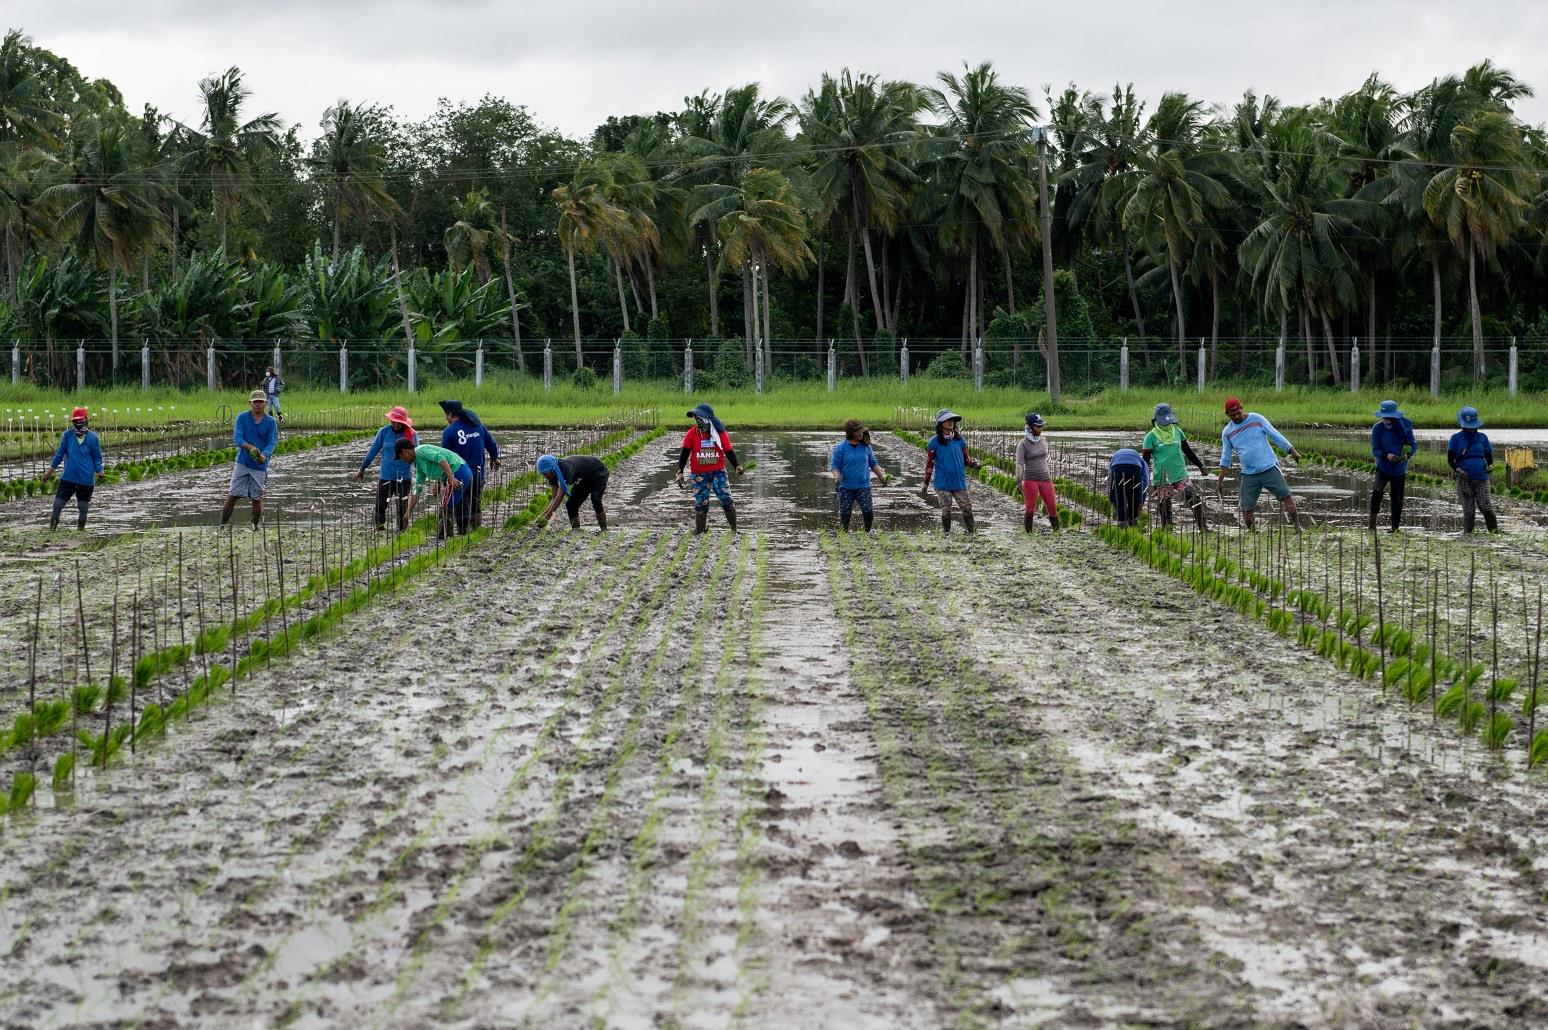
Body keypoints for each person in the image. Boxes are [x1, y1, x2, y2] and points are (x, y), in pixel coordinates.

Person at [1217, 397, 1302, 532]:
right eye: (1233, 415)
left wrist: (1292, 450)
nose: (1237, 416)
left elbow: (1275, 434)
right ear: (1227, 415)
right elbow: (1225, 456)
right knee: (1246, 508)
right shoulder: (1227, 432)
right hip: (1249, 474)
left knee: (1287, 496)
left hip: (1268, 467)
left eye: (1238, 412)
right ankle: (1252, 533)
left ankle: (1297, 526)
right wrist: (1220, 479)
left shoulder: (1256, 419)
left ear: (1242, 408)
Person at [676, 402, 745, 534]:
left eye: (699, 418)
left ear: (707, 419)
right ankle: (700, 530)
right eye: (695, 418)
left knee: (726, 499)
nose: (697, 420)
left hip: (717, 472)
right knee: (701, 503)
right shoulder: (692, 433)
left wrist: (737, 466)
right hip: (698, 474)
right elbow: (684, 453)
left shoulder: (719, 433)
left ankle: (734, 530)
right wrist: (680, 472)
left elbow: (728, 450)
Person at [1142, 402, 1209, 532]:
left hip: (1180, 475)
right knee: (1165, 506)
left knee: (1194, 498)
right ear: (1156, 419)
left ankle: (1204, 528)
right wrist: (1142, 478)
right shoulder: (1150, 437)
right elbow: (1145, 461)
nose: (1167, 423)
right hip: (1162, 478)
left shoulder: (1177, 431)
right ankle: (1168, 531)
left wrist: (1200, 466)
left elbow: (1188, 451)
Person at [439, 400, 500, 529]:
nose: (445, 418)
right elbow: (491, 444)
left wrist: (444, 478)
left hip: (460, 474)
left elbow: (444, 457)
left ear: (450, 414)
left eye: (445, 415)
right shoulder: (477, 426)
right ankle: (475, 533)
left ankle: (463, 534)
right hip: (477, 472)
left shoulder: (449, 432)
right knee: (475, 503)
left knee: (461, 504)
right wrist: (495, 458)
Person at [355, 406, 417, 531]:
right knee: (380, 506)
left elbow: (417, 455)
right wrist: (363, 468)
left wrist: (422, 472)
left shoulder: (411, 434)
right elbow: (373, 451)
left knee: (402, 508)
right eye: (393, 421)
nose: (395, 424)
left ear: (403, 422)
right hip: (386, 477)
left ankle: (402, 532)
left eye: (398, 422)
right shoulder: (384, 432)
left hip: (404, 478)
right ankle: (379, 530)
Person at [222, 390, 278, 528]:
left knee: (257, 498)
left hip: (260, 465)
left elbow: (272, 442)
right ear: (250, 403)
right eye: (255, 402)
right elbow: (238, 438)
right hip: (243, 462)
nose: (257, 405)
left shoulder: (271, 422)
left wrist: (263, 455)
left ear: (265, 404)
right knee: (233, 495)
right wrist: (250, 448)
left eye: (260, 402)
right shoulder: (242, 418)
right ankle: (222, 525)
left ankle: (255, 527)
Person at [397, 438, 472, 539]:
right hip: (459, 472)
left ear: (405, 451)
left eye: (402, 457)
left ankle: (443, 539)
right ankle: (453, 537)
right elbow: (417, 489)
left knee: (446, 507)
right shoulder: (418, 464)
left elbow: (441, 459)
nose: (404, 461)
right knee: (453, 506)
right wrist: (408, 512)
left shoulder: (420, 451)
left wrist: (451, 478)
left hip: (458, 471)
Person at [922, 409, 981, 534]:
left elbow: (966, 460)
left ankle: (973, 533)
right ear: (940, 424)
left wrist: (973, 465)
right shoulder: (934, 442)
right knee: (946, 509)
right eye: (947, 420)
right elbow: (930, 463)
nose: (950, 423)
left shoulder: (960, 440)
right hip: (943, 483)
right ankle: (946, 533)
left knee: (967, 508)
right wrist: (926, 483)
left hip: (959, 481)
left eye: (952, 420)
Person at [45, 406, 103, 531]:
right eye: (76, 421)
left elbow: (97, 458)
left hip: (86, 479)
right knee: (57, 505)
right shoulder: (68, 435)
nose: (78, 424)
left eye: (80, 421)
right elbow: (59, 455)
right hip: (68, 477)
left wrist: (100, 470)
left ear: (86, 420)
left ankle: (80, 532)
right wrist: (49, 472)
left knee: (83, 508)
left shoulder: (93, 438)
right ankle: (51, 531)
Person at [829, 419, 890, 531]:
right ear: (850, 433)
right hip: (846, 487)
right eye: (858, 432)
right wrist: (836, 477)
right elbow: (834, 467)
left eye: (862, 431)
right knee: (845, 515)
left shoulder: (866, 447)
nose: (861, 434)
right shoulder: (840, 448)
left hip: (863, 486)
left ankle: (866, 535)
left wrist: (882, 477)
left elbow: (873, 463)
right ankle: (843, 538)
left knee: (868, 513)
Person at [1369, 399, 1418, 534]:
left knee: (1397, 499)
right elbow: (1375, 450)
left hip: (1399, 469)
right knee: (1377, 492)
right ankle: (1372, 526)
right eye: (1384, 417)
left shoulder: (1404, 428)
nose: (1386, 420)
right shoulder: (1377, 428)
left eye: (1389, 417)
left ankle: (1395, 528)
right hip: (1383, 467)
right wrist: (1387, 455)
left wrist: (1407, 455)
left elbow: (1413, 445)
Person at [1447, 405, 1497, 534]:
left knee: (1486, 507)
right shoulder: (1455, 438)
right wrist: (1458, 471)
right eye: (1468, 425)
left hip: (1481, 478)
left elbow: (1489, 458)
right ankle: (1468, 535)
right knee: (1469, 511)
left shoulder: (1483, 438)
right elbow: (1450, 461)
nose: (1471, 428)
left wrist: (1490, 466)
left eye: (1473, 425)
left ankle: (1494, 533)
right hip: (1464, 479)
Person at [536, 453, 609, 530]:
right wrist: (543, 515)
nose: (544, 476)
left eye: (545, 473)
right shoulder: (551, 475)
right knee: (571, 505)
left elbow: (559, 496)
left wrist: (547, 518)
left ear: (552, 469)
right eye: (542, 474)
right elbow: (554, 497)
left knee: (596, 499)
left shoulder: (566, 469)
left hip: (598, 472)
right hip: (584, 478)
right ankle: (576, 531)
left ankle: (604, 530)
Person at [1015, 412, 1058, 533]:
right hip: (1030, 480)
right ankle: (1028, 534)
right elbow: (1019, 464)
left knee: (1052, 506)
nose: (1041, 429)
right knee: (1030, 509)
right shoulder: (1022, 444)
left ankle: (1057, 532)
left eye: (1041, 426)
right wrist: (1019, 481)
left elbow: (1043, 459)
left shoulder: (1043, 441)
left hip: (1045, 479)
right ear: (1029, 427)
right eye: (1038, 426)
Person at [1107, 448, 1149, 527]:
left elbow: (1110, 481)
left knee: (1118, 495)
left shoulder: (1113, 458)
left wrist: (1112, 497)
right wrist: (1141, 500)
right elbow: (1145, 482)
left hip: (1117, 468)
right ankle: (1133, 520)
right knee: (1134, 494)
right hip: (1135, 468)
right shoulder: (1142, 461)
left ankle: (1122, 522)